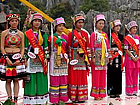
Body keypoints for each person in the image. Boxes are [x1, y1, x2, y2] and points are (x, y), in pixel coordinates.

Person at [23, 13, 49, 104]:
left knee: (41, 77)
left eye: (39, 21)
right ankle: (30, 99)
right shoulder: (27, 34)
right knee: (31, 78)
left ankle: (42, 98)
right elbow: (25, 48)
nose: (37, 23)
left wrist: (46, 58)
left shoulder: (43, 34)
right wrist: (24, 59)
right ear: (32, 22)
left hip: (41, 58)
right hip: (31, 57)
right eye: (35, 21)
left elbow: (46, 47)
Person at [0, 14, 26, 103]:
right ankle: (9, 98)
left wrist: (20, 58)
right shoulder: (4, 33)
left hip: (17, 57)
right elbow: (2, 47)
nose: (14, 22)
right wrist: (6, 58)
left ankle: (15, 99)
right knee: (8, 80)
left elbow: (23, 48)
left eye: (16, 21)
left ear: (18, 22)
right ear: (9, 22)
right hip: (7, 56)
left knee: (16, 79)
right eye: (12, 21)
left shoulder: (21, 34)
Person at [68, 11, 90, 103]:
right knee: (74, 76)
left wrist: (88, 58)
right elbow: (69, 46)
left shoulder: (85, 34)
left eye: (82, 22)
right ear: (75, 23)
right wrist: (70, 58)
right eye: (79, 22)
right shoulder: (71, 34)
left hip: (83, 58)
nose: (80, 24)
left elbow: (87, 46)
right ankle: (74, 96)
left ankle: (82, 96)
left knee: (82, 76)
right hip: (74, 57)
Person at [48, 17, 69, 104]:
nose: (61, 27)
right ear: (55, 27)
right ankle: (54, 98)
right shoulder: (52, 37)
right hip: (54, 57)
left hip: (63, 58)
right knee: (55, 77)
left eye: (62, 26)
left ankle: (63, 98)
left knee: (63, 77)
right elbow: (49, 49)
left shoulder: (66, 37)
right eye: (59, 26)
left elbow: (67, 48)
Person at [90, 14, 109, 100]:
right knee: (96, 75)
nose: (101, 25)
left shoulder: (105, 35)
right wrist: (93, 57)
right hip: (96, 56)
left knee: (103, 75)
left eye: (102, 23)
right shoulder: (94, 34)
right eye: (100, 23)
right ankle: (95, 94)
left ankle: (102, 93)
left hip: (103, 56)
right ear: (96, 24)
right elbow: (91, 46)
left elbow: (107, 47)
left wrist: (108, 57)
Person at [107, 19, 123, 98]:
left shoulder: (121, 36)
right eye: (116, 26)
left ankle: (118, 91)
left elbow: (122, 47)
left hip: (119, 56)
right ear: (113, 27)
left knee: (118, 74)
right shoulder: (109, 35)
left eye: (119, 26)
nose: (118, 28)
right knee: (111, 73)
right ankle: (111, 91)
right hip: (111, 56)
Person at [124, 21, 140, 96]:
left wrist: (138, 57)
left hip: (137, 58)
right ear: (129, 29)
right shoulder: (127, 38)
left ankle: (134, 90)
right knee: (129, 74)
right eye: (133, 28)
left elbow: (139, 48)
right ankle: (129, 90)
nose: (135, 29)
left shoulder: (137, 38)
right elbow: (126, 49)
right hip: (130, 58)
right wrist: (132, 57)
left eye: (135, 28)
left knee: (135, 74)